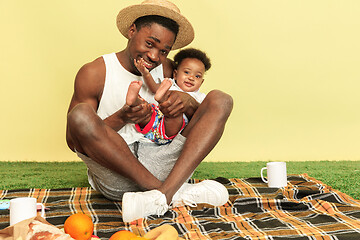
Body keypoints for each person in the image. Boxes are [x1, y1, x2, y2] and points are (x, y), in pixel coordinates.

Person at [66, 0, 233, 222]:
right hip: (116, 172)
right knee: (79, 115)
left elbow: (202, 118)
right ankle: (172, 194)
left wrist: (187, 102)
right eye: (149, 44)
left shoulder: (167, 69)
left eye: (164, 50)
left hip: (164, 161)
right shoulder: (95, 72)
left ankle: (160, 196)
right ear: (131, 30)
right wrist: (122, 117)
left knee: (221, 100)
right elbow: (73, 139)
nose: (154, 56)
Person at [128, 48, 211, 144]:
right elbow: (154, 88)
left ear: (201, 82)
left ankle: (160, 98)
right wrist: (145, 73)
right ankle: (134, 101)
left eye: (197, 76)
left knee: (175, 112)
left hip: (170, 133)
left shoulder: (200, 97)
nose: (191, 78)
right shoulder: (170, 84)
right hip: (153, 126)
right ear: (175, 74)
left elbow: (204, 116)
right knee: (145, 109)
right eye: (187, 72)